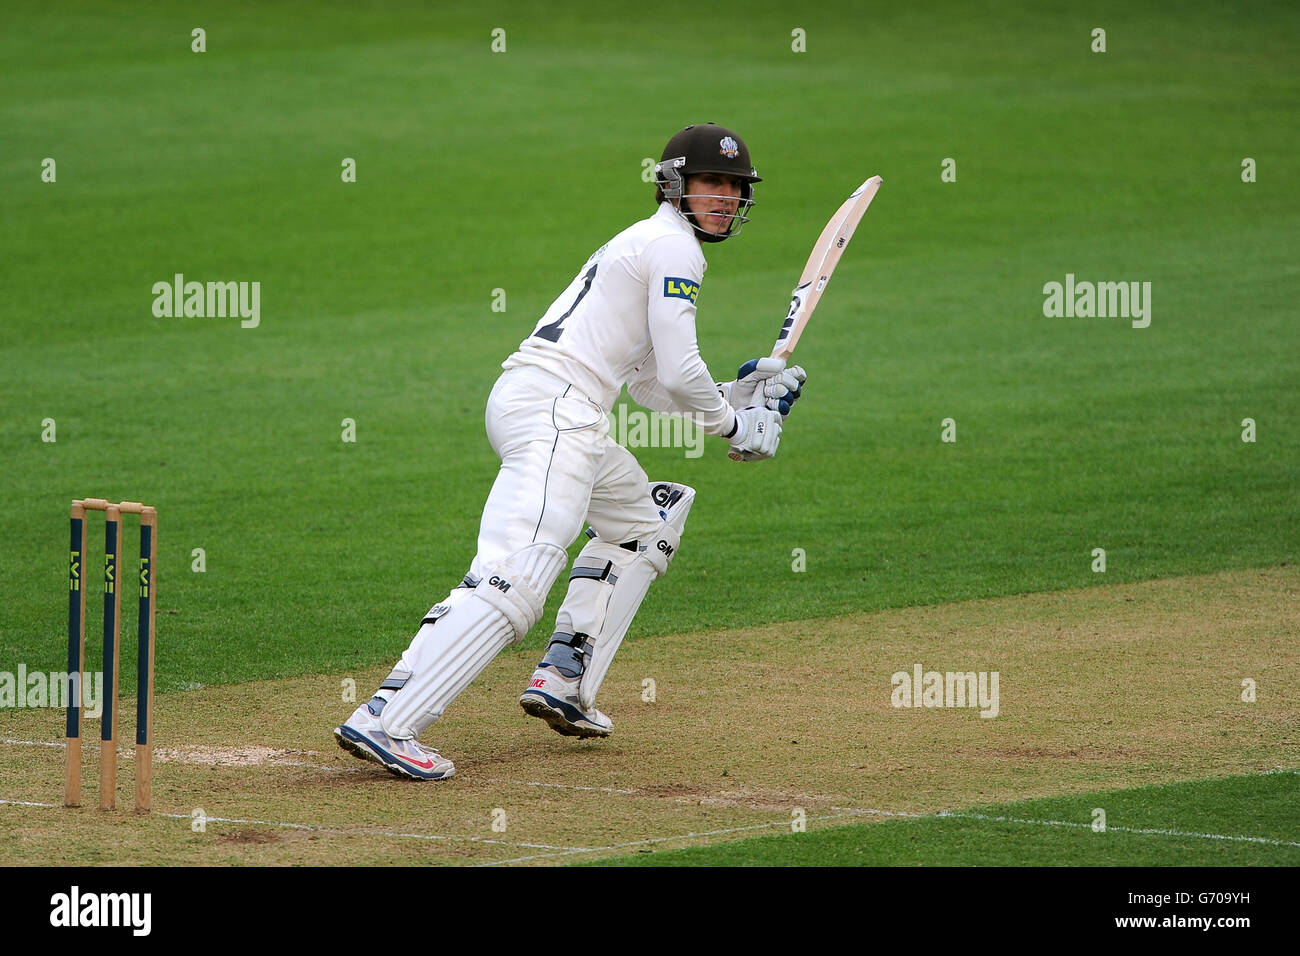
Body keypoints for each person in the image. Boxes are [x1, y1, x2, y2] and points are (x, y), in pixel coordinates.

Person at [334, 122, 806, 779]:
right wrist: (733, 424)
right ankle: (387, 719)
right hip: (557, 409)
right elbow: (677, 371)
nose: (725, 196)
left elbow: (647, 381)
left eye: (734, 187)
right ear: (675, 187)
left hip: (556, 407)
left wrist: (733, 393)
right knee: (519, 571)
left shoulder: (646, 244)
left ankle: (564, 676)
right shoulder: (674, 249)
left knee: (642, 526)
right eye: (712, 183)